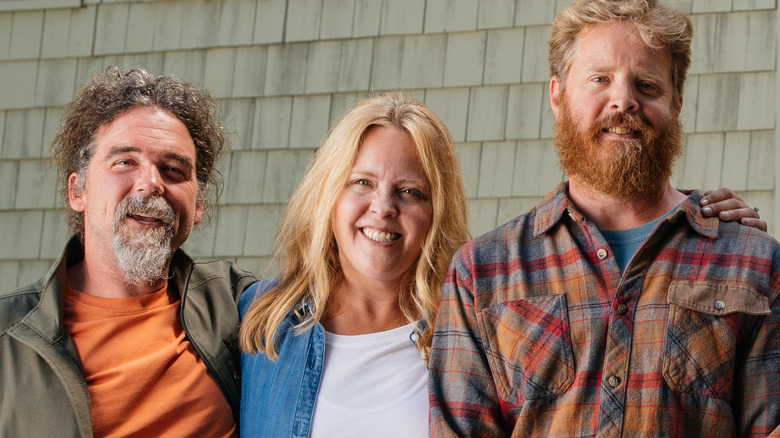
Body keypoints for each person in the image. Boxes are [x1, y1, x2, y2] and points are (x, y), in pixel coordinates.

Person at [428, 0, 779, 436]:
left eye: (647, 85)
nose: (624, 100)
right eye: (600, 79)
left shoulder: (754, 264)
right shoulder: (482, 273)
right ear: (557, 95)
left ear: (677, 101)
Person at [0, 67, 256, 437]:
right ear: (78, 192)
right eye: (125, 162)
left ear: (198, 205)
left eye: (172, 169)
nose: (151, 183)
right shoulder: (9, 337)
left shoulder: (238, 305)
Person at [238, 93, 470, 437]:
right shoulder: (263, 318)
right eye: (363, 182)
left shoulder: (466, 335)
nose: (383, 207)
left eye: (410, 192)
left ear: (436, 214)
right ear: (329, 195)